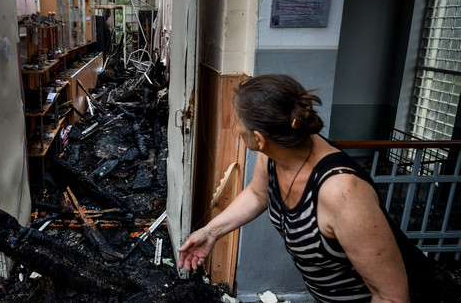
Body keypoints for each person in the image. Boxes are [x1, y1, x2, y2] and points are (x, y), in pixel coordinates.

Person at [178, 74, 439, 303]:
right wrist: (211, 232)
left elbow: (391, 296)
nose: (237, 129)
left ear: (258, 138)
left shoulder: (341, 193)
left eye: (239, 125)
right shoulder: (276, 151)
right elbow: (258, 195)